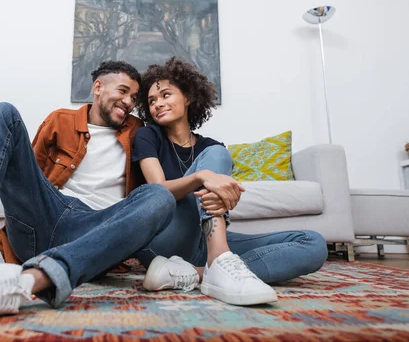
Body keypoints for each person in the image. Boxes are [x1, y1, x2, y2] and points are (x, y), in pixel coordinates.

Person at [0, 61, 178, 327]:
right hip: (46, 213)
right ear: (98, 87)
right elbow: (25, 174)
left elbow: (158, 178)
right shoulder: (61, 120)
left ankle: (23, 283)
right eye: (123, 91)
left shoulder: (139, 132)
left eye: (133, 97)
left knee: (160, 197)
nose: (129, 102)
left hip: (96, 228)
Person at [133, 57, 329, 306]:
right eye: (151, 101)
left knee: (313, 243)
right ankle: (219, 259)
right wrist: (201, 176)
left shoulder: (209, 146)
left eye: (165, 95)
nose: (157, 104)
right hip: (163, 238)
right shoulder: (147, 135)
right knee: (217, 155)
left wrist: (224, 193)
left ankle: (197, 273)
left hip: (201, 243)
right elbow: (157, 192)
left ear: (188, 97)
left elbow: (222, 197)